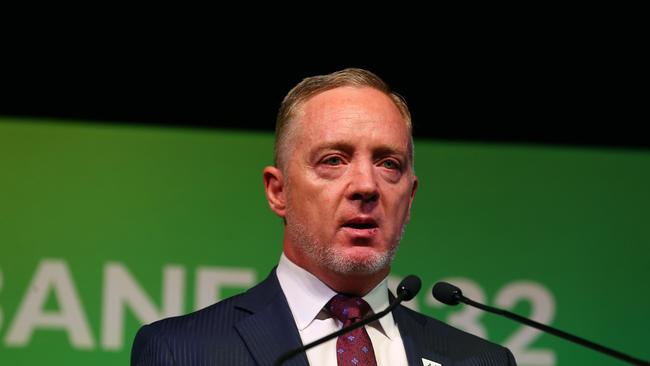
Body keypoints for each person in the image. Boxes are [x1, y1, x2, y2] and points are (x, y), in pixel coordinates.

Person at [131, 68, 516, 366]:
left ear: (410, 197)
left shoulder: (480, 361)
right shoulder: (183, 352)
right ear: (278, 191)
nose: (366, 186)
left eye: (388, 163)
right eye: (333, 160)